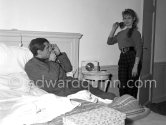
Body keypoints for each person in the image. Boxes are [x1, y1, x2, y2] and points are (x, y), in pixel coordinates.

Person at [25, 38, 116, 100]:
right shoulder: (31, 65)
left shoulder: (48, 59)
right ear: (39, 51)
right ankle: (108, 98)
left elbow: (68, 69)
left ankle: (110, 98)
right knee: (88, 89)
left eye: (50, 46)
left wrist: (59, 54)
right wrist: (52, 62)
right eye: (47, 47)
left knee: (87, 85)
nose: (50, 49)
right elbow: (51, 82)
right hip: (58, 90)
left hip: (68, 84)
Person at [107, 9, 143, 98]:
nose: (126, 20)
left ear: (134, 19)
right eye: (124, 18)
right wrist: (113, 29)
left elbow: (139, 49)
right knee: (122, 84)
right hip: (122, 57)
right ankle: (124, 105)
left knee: (131, 85)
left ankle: (132, 107)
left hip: (133, 57)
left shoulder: (136, 32)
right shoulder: (120, 33)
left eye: (129, 18)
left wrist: (135, 66)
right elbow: (109, 41)